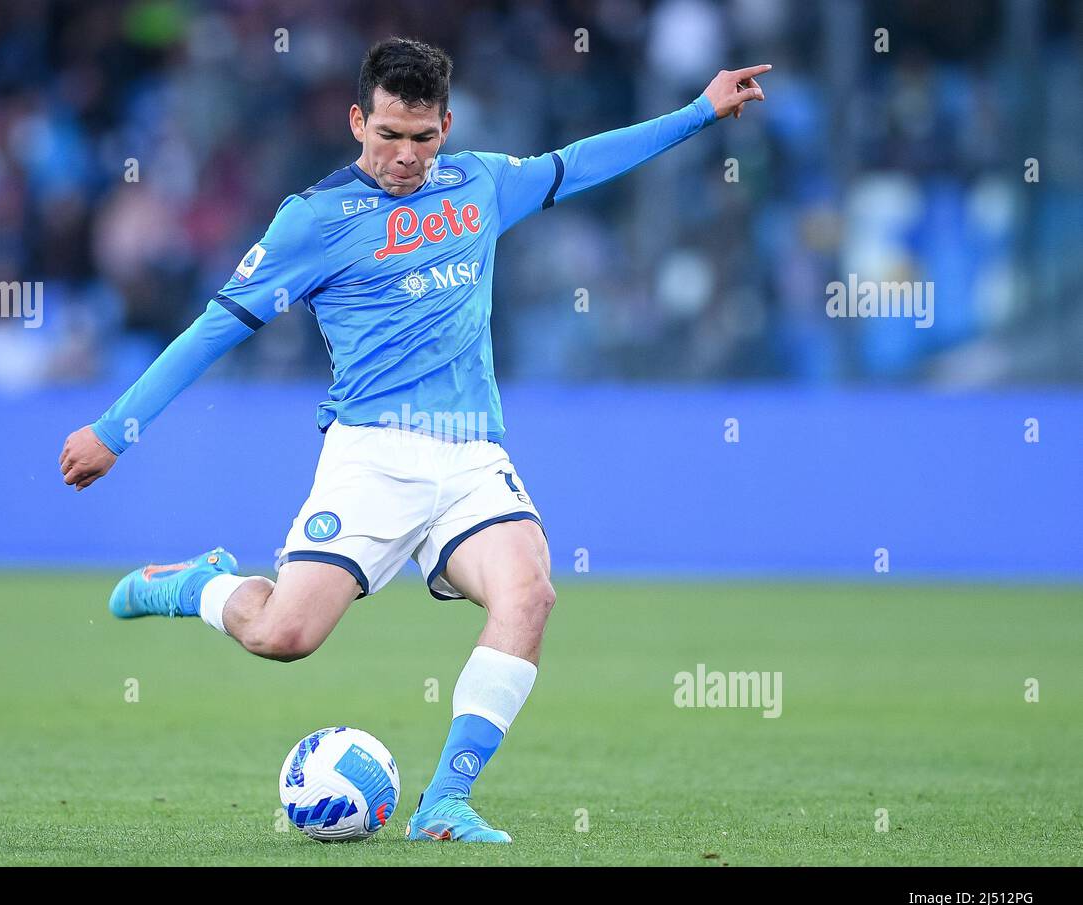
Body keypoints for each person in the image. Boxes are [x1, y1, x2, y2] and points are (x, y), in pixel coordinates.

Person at [59, 37, 769, 842]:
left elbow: (581, 161)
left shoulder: (482, 183)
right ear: (359, 121)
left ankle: (445, 803)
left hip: (472, 456)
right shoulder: (314, 219)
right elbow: (215, 328)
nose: (405, 156)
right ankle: (195, 586)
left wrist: (699, 112)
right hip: (371, 457)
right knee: (283, 637)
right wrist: (117, 428)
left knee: (530, 593)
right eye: (388, 135)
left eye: (423, 137)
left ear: (447, 126)